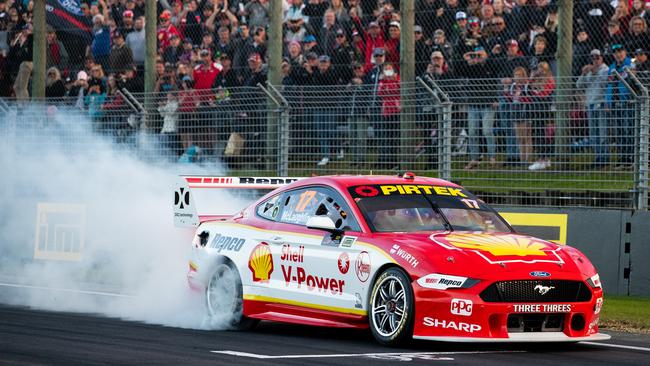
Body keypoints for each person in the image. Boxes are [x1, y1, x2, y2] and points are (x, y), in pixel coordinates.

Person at [577, 49, 610, 168]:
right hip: (590, 104)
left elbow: (605, 84)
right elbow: (579, 85)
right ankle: (597, 157)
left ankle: (604, 158)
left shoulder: (606, 70)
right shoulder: (589, 71)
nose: (595, 60)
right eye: (593, 58)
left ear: (602, 58)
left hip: (601, 103)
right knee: (593, 133)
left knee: (602, 133)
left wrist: (595, 72)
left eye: (597, 58)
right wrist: (583, 74)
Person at [606, 43, 635, 169]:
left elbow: (633, 81)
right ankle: (622, 157)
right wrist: (608, 102)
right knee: (619, 132)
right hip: (615, 102)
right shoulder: (612, 67)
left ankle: (631, 157)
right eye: (615, 52)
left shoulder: (630, 64)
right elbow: (609, 85)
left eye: (620, 51)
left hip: (627, 102)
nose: (618, 54)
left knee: (629, 129)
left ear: (625, 52)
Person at [528, 61, 556, 171]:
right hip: (535, 110)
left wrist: (536, 88)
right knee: (536, 132)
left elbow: (544, 93)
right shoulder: (535, 79)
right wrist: (531, 78)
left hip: (543, 110)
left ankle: (543, 158)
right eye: (539, 68)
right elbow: (527, 90)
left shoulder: (550, 80)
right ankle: (542, 158)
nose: (540, 71)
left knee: (542, 134)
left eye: (543, 69)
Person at [503, 66, 532, 165]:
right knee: (519, 138)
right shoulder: (513, 86)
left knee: (526, 137)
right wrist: (506, 91)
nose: (517, 77)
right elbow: (510, 99)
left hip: (525, 113)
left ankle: (528, 159)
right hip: (516, 113)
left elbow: (530, 99)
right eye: (516, 75)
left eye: (520, 75)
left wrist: (521, 96)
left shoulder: (527, 86)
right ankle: (522, 159)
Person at [377, 63, 401, 170]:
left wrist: (394, 80)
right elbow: (380, 93)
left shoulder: (398, 80)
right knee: (388, 137)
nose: (388, 71)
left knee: (396, 137)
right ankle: (390, 161)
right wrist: (384, 81)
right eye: (386, 69)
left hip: (396, 111)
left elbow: (398, 91)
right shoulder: (382, 82)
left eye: (389, 69)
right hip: (386, 112)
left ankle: (398, 161)